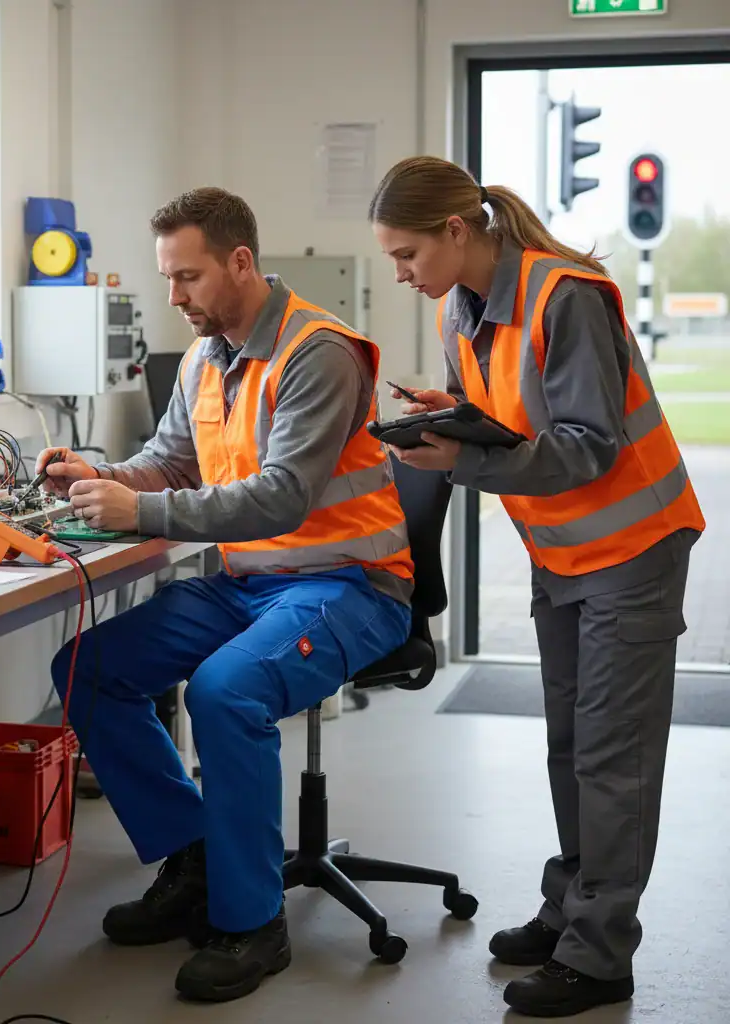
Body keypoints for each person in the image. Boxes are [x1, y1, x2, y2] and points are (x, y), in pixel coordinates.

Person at [37, 186, 414, 1004]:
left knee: (224, 690)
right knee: (87, 668)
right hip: (251, 584)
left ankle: (252, 922)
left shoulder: (320, 352)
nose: (175, 298)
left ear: (241, 262)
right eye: (168, 279)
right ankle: (198, 858)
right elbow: (170, 462)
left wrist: (138, 509)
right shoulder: (208, 358)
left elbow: (281, 494)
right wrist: (101, 475)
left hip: (351, 585)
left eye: (189, 278)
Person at [367, 155, 705, 1019]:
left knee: (613, 756)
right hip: (561, 552)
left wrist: (464, 456)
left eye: (406, 255)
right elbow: (528, 421)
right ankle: (570, 910)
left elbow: (588, 443)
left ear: (455, 230)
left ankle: (600, 958)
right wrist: (454, 412)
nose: (400, 276)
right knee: (569, 744)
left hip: (633, 545)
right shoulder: (461, 309)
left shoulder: (567, 296)